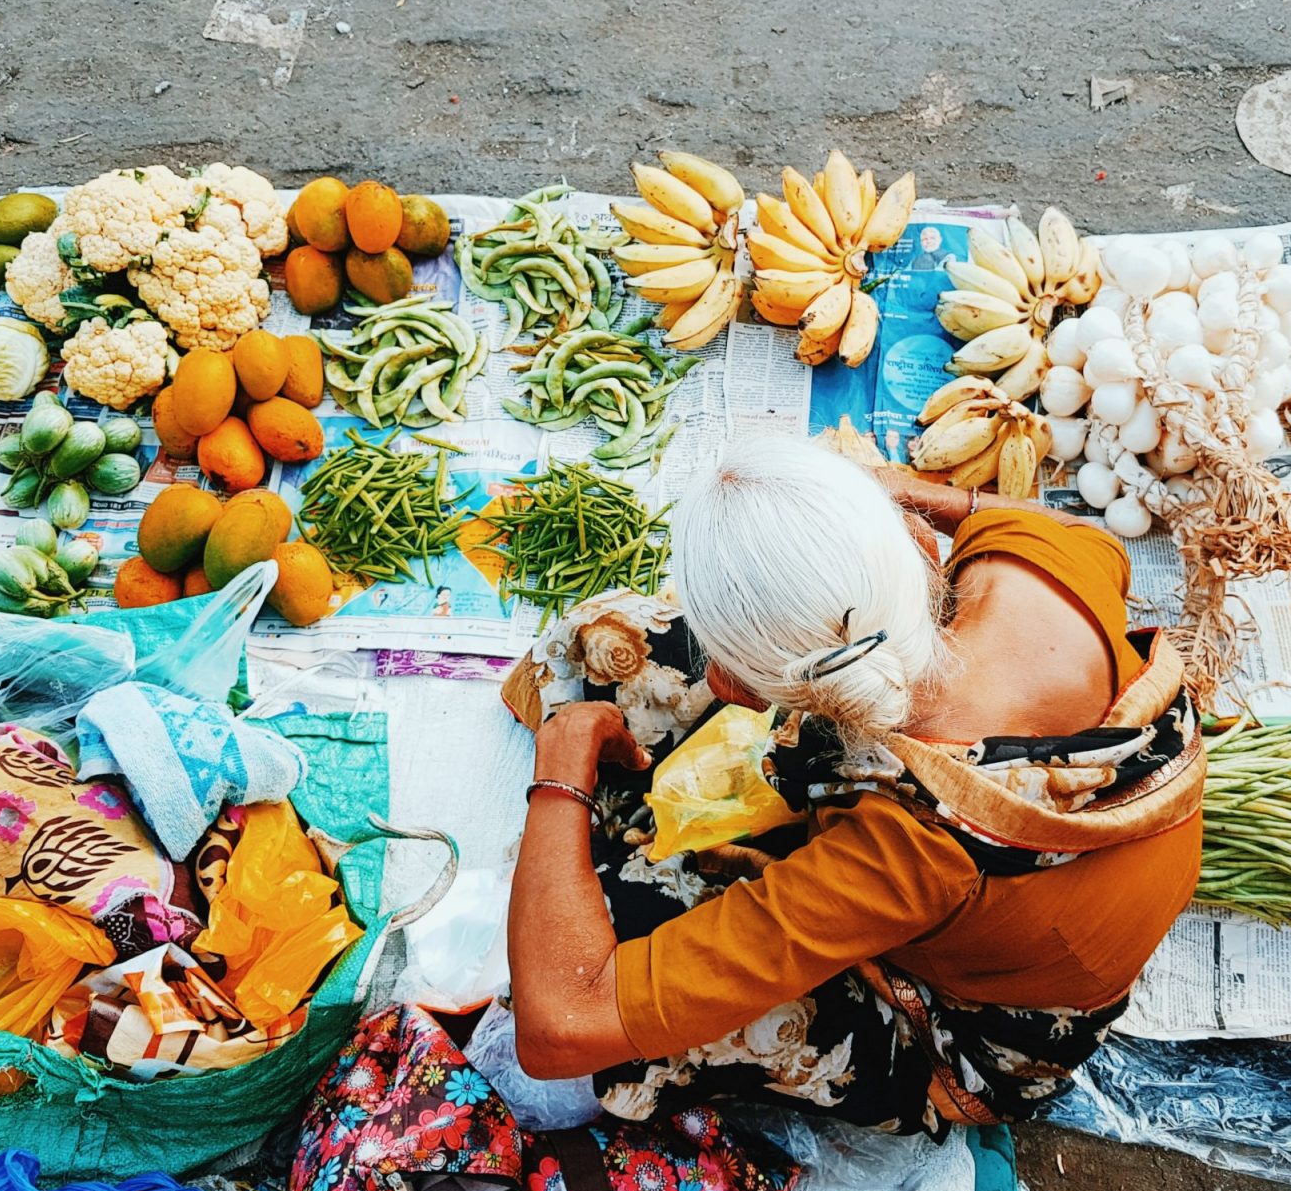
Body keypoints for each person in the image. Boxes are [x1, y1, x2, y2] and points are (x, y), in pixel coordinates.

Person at [507, 437, 1205, 1134]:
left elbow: (561, 1025)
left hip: (973, 1034)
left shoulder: (906, 841)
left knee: (619, 920)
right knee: (609, 639)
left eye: (728, 669)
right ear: (910, 544)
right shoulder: (1021, 568)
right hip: (1028, 859)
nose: (716, 681)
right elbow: (1086, 536)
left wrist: (559, 777)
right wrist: (902, 492)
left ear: (747, 690)